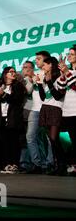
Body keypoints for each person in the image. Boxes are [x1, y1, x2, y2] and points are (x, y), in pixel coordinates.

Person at [0, 67, 26, 174]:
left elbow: (17, 100)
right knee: (3, 143)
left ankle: (15, 164)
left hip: (13, 118)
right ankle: (6, 164)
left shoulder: (18, 85)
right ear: (5, 74)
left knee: (14, 142)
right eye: (11, 72)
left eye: (14, 72)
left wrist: (4, 94)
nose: (13, 73)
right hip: (0, 118)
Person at [39, 57, 67, 175]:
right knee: (51, 140)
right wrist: (40, 84)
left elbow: (57, 96)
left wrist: (49, 81)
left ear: (51, 65)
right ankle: (57, 165)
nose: (42, 67)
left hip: (56, 109)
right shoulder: (46, 78)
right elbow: (43, 97)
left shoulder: (57, 77)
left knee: (54, 138)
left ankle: (63, 164)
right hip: (45, 108)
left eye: (44, 64)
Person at [57, 45, 76, 175]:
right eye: (68, 54)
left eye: (72, 54)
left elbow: (75, 86)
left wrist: (67, 72)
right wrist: (63, 73)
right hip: (67, 111)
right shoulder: (68, 71)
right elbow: (60, 89)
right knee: (72, 139)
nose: (68, 56)